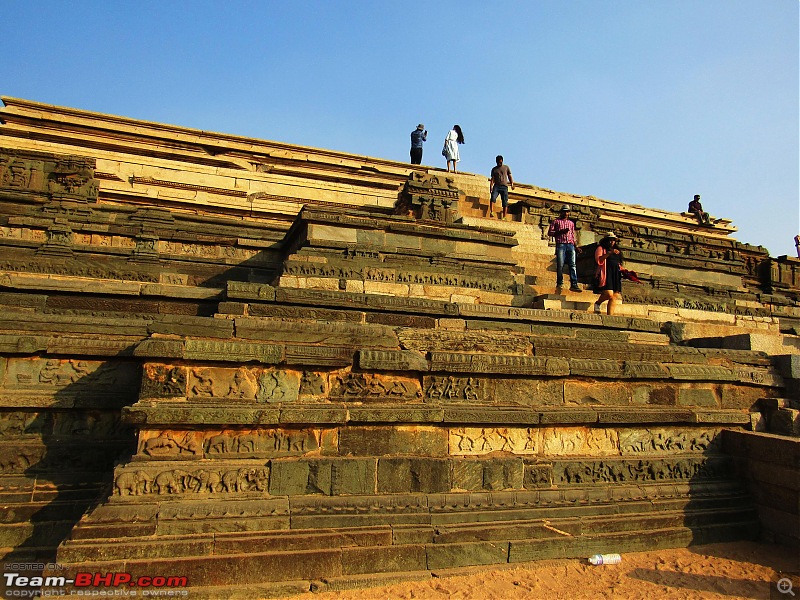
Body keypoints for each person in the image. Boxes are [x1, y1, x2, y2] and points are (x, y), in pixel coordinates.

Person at [547, 204, 582, 292]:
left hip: (570, 244)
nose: (566, 213)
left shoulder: (571, 223)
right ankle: (560, 282)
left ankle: (574, 284)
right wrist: (560, 232)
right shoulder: (556, 222)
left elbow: (573, 236)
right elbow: (550, 233)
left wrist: (576, 246)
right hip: (561, 244)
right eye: (564, 211)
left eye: (567, 212)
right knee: (560, 264)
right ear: (561, 212)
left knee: (572, 265)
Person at [593, 233, 623, 315]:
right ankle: (598, 303)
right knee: (609, 294)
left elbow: (619, 263)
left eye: (613, 240)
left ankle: (610, 316)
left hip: (616, 274)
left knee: (614, 296)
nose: (612, 242)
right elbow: (599, 260)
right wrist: (609, 253)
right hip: (606, 273)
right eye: (610, 240)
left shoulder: (618, 251)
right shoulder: (601, 248)